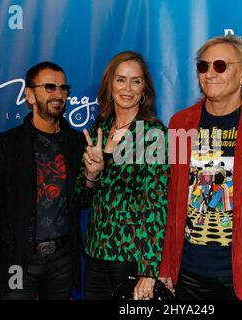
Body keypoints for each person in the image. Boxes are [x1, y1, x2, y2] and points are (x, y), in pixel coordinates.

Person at [159, 35, 242, 300]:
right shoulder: (180, 123)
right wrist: (166, 265)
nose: (209, 73)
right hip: (188, 274)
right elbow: (172, 200)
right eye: (203, 66)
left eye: (220, 66)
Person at [0, 62, 85, 299]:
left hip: (62, 262)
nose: (58, 94)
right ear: (29, 94)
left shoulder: (77, 143)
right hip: (18, 261)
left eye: (63, 88)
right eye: (49, 87)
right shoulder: (7, 144)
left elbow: (83, 199)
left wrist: (93, 175)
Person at [75, 51, 169, 300]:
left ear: (144, 89)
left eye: (136, 81)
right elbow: (80, 197)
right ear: (110, 85)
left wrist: (149, 270)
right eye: (120, 80)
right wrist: (92, 175)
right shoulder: (98, 130)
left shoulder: (153, 133)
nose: (127, 88)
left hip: (132, 257)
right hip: (95, 253)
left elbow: (157, 205)